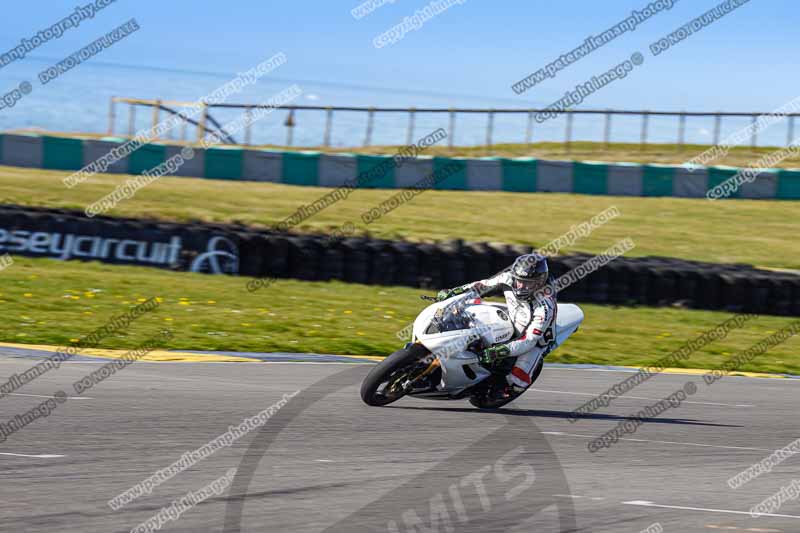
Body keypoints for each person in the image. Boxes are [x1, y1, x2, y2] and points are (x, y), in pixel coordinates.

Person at [437, 253, 557, 394]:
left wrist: (501, 351)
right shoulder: (509, 278)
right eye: (520, 281)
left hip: (537, 338)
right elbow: (482, 286)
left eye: (528, 284)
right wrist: (455, 292)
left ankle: (502, 390)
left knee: (518, 380)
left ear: (539, 283)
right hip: (513, 315)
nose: (521, 287)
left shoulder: (544, 307)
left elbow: (529, 340)